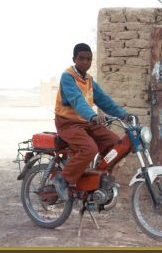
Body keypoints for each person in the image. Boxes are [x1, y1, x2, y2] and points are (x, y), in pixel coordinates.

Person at [53, 43, 130, 201]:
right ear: (74, 59)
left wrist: (123, 115)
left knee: (117, 143)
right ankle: (63, 179)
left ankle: (98, 179)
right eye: (81, 59)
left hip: (86, 122)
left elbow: (104, 100)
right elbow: (77, 100)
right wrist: (92, 116)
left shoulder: (88, 79)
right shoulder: (67, 77)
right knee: (89, 148)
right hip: (68, 123)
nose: (85, 62)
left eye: (89, 59)